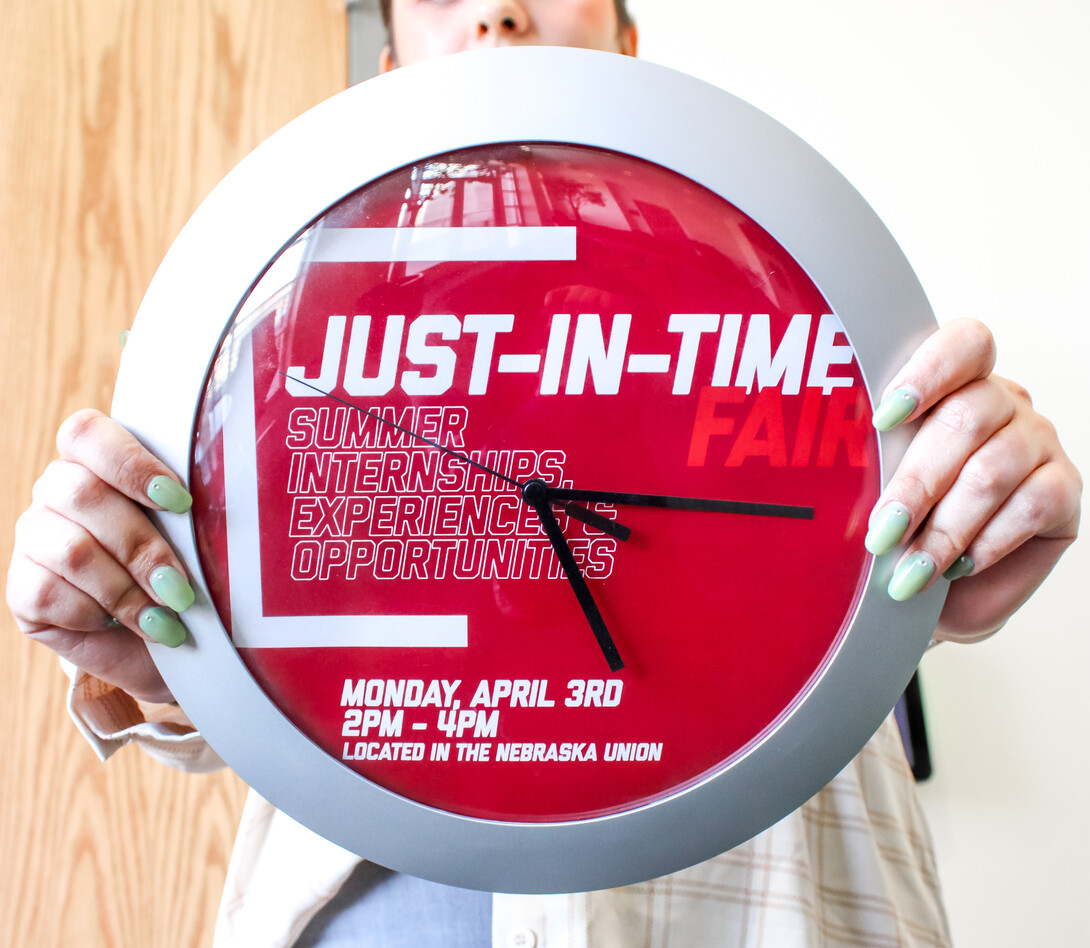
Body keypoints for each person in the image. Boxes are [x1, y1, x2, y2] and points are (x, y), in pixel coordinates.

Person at [6, 0, 1081, 945]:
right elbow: (287, 662)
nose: (500, 12)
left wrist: (956, 530)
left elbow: (822, 573)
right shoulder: (280, 337)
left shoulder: (794, 304)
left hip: (774, 908)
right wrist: (164, 646)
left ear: (626, 43)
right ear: (388, 75)